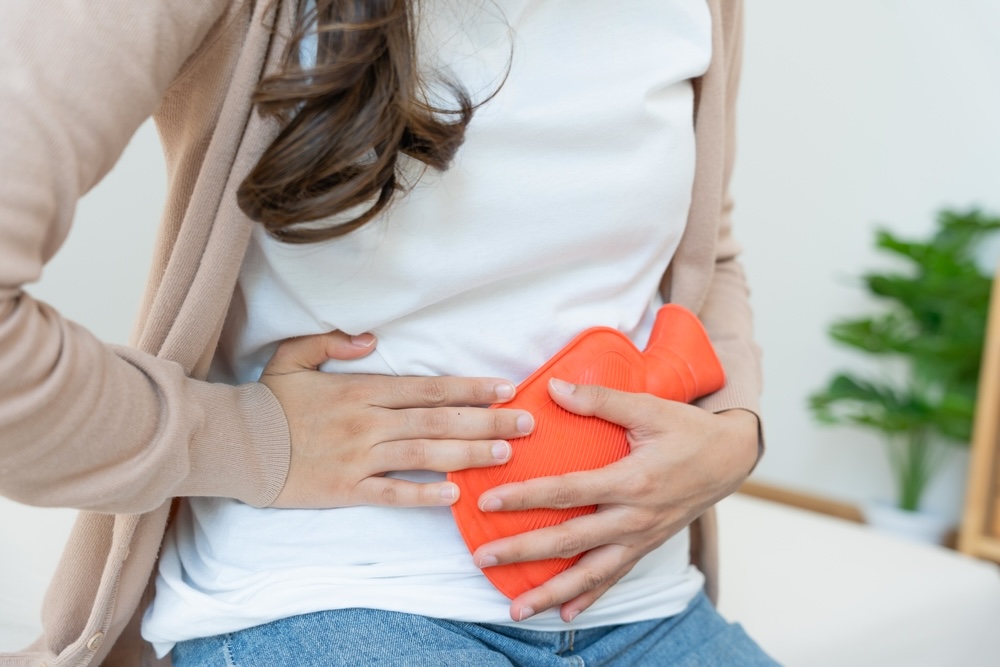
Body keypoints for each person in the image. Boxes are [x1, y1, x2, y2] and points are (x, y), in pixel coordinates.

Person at [0, 0, 775, 664]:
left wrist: (734, 428)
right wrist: (244, 436)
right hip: (327, 594)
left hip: (649, 605)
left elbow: (707, 258)